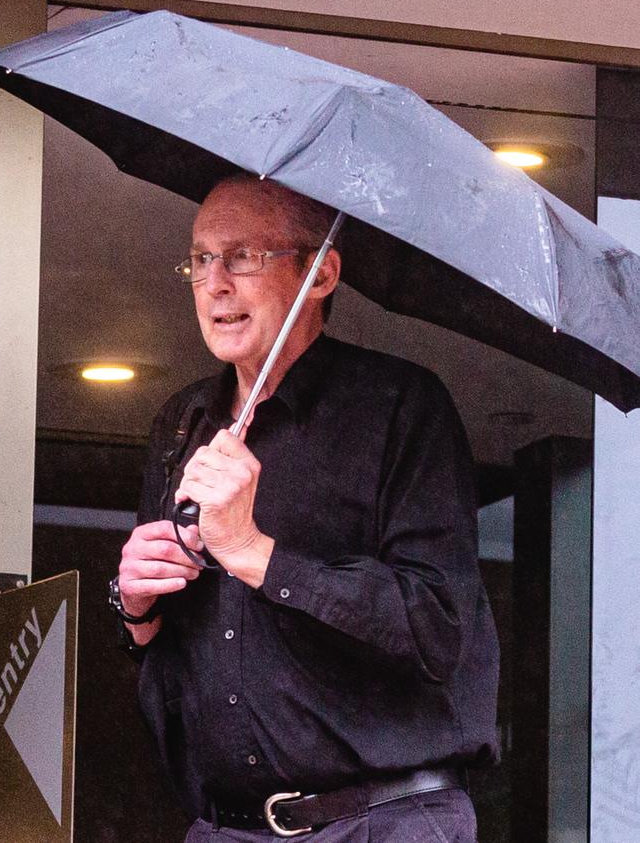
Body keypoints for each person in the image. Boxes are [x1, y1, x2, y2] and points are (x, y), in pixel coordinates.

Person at [113, 174, 499, 842]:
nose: (215, 283)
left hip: (382, 821)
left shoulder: (398, 407)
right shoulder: (183, 423)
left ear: (320, 274)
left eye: (242, 256)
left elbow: (438, 627)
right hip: (226, 827)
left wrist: (254, 553)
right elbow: (168, 650)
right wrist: (138, 606)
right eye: (201, 259)